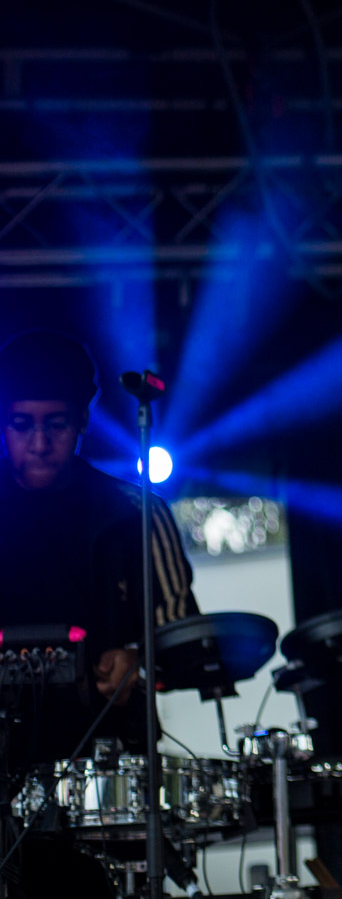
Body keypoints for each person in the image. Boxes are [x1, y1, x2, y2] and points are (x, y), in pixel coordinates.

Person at [0, 331, 200, 897]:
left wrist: (140, 659)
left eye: (56, 424)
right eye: (21, 424)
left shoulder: (136, 514)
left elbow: (187, 640)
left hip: (110, 779)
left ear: (83, 421)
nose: (38, 442)